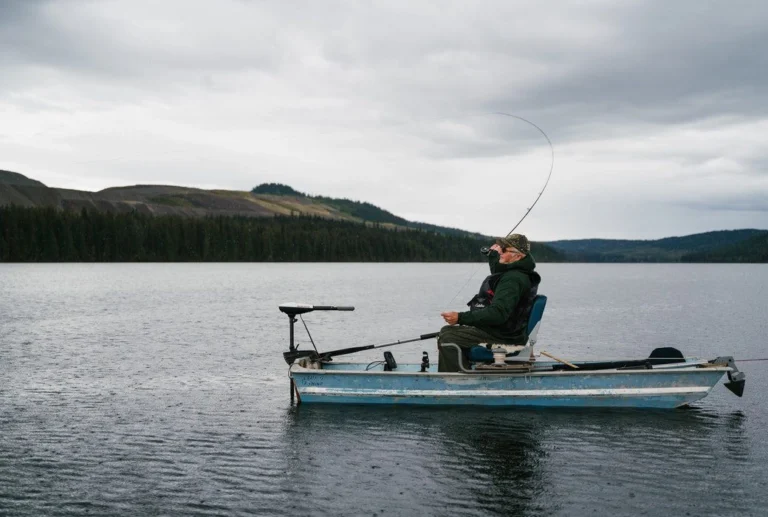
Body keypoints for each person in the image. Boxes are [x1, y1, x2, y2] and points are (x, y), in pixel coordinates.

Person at [438, 233, 541, 372]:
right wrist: (493, 256)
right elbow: (499, 271)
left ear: (518, 256)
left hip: (504, 336)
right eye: (500, 248)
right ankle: (464, 370)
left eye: (504, 250)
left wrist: (460, 317)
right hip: (508, 331)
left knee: (448, 336)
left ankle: (455, 381)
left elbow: (498, 314)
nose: (500, 252)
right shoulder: (519, 271)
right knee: (447, 332)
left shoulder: (512, 280)